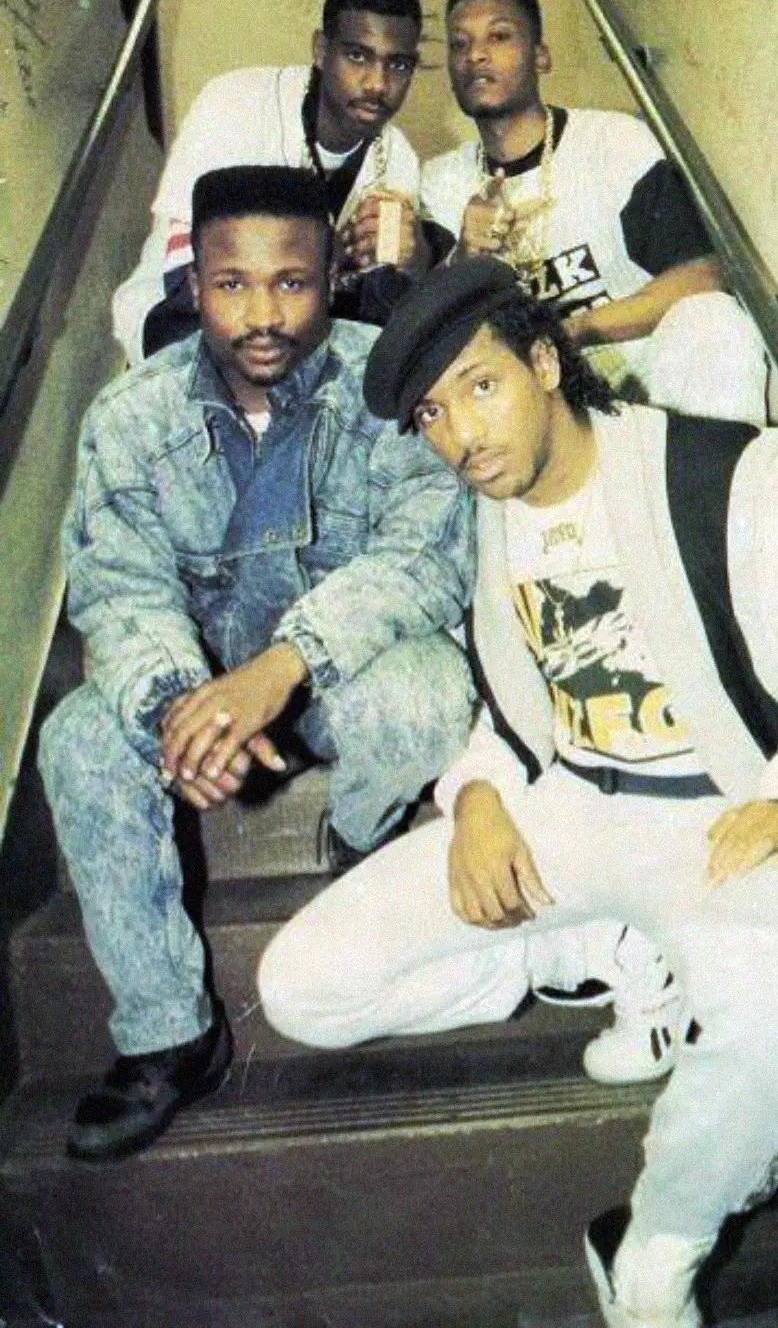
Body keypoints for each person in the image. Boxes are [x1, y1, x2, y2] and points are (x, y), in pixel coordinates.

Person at [257, 259, 778, 1327]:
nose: (461, 435)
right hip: (575, 808)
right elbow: (514, 708)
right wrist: (474, 798)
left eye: (480, 386)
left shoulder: (721, 473)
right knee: (300, 986)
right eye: (432, 413)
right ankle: (618, 953)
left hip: (718, 820)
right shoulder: (493, 523)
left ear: (547, 362)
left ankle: (655, 1248)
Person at [38, 166, 475, 1163]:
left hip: (332, 672)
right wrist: (172, 707)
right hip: (199, 673)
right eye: (234, 283)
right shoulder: (130, 415)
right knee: (76, 737)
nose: (264, 312)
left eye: (292, 281)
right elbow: (118, 590)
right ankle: (169, 1031)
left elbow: (427, 558)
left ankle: (367, 847)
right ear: (195, 286)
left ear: (334, 278)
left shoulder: (394, 385)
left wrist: (286, 664)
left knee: (428, 693)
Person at [420, 0, 767, 423]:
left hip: (641, 379)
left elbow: (701, 274)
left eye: (500, 36)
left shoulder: (612, 142)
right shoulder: (441, 181)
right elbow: (438, 341)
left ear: (541, 56)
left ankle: (717, 482)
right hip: (533, 412)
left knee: (717, 323)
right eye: (459, 44)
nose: (476, 55)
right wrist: (466, 255)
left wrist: (579, 329)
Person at [113, 0, 437, 363]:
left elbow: (381, 312)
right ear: (321, 49)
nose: (377, 83)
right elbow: (184, 277)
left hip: (299, 353)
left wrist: (413, 265)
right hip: (182, 328)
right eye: (357, 56)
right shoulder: (235, 103)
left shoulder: (398, 157)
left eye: (398, 65)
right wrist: (322, 254)